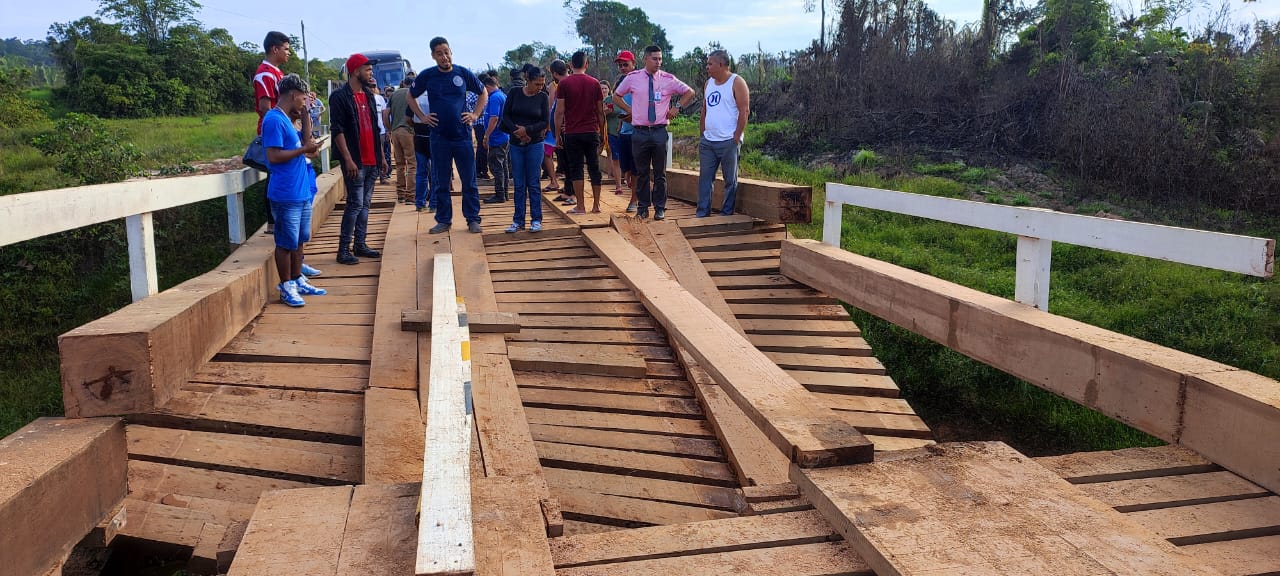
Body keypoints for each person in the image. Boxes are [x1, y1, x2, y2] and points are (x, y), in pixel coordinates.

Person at [409, 37, 487, 234]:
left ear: (451, 52)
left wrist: (475, 114)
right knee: (440, 181)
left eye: (446, 52)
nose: (444, 57)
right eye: (439, 53)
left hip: (462, 136)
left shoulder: (463, 73)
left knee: (469, 180)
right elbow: (411, 96)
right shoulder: (428, 75)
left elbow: (483, 92)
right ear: (433, 56)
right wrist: (422, 117)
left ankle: (472, 219)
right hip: (439, 137)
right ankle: (444, 220)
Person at [262, 74, 324, 307]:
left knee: (299, 240)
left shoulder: (288, 119)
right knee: (285, 242)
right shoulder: (274, 120)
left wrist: (306, 116)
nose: (304, 102)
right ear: (293, 94)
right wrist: (302, 151)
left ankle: (298, 279)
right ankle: (285, 285)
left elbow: (307, 148)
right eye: (303, 99)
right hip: (285, 192)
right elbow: (273, 156)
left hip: (300, 191)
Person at [614, 45, 696, 220]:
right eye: (654, 59)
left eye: (660, 59)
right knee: (641, 172)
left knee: (660, 173)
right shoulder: (633, 78)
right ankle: (643, 207)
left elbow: (689, 92)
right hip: (640, 131)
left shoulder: (668, 79)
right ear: (645, 59)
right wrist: (630, 110)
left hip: (659, 130)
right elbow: (616, 96)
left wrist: (677, 107)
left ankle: (660, 208)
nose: (658, 62)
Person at [329, 53, 386, 264]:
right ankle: (343, 249)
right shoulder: (340, 97)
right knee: (354, 203)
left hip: (372, 159)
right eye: (367, 69)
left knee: (365, 204)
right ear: (355, 71)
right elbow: (338, 130)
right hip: (355, 161)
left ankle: (360, 244)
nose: (371, 73)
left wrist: (381, 157)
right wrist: (348, 159)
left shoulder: (369, 96)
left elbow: (374, 127)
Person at [697, 49, 751, 218]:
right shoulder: (709, 84)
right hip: (708, 141)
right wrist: (703, 133)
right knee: (705, 179)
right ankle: (702, 213)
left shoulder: (737, 82)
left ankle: (726, 213)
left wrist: (736, 136)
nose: (707, 67)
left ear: (721, 65)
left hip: (728, 141)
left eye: (710, 64)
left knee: (730, 180)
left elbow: (744, 111)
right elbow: (705, 110)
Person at [555, 50, 606, 215]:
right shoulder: (595, 83)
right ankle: (597, 205)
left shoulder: (564, 84)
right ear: (586, 64)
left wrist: (557, 134)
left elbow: (559, 112)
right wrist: (602, 133)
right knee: (594, 167)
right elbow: (600, 112)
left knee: (576, 167)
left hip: (572, 132)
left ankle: (581, 206)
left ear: (570, 65)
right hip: (591, 131)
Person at [500, 66, 550, 233]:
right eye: (537, 84)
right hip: (516, 143)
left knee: (534, 182)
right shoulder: (514, 93)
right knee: (519, 183)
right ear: (528, 80)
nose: (540, 87)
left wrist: (527, 131)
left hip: (535, 143)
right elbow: (505, 116)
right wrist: (517, 131)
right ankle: (518, 219)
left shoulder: (543, 97)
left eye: (542, 84)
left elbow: (545, 121)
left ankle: (536, 219)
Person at [255, 31, 289, 235]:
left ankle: (280, 219)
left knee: (282, 172)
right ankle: (273, 222)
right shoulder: (265, 74)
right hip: (275, 131)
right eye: (285, 49)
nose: (288, 54)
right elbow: (265, 106)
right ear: (274, 49)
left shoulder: (277, 73)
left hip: (284, 129)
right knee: (275, 173)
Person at [612, 50, 639, 212]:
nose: (623, 67)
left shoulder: (640, 81)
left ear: (633, 64)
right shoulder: (621, 83)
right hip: (624, 130)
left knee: (635, 167)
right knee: (626, 167)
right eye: (621, 65)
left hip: (637, 131)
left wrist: (633, 114)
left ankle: (634, 199)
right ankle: (632, 185)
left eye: (626, 64)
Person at [387, 79, 417, 204]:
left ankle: (400, 194)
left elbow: (385, 113)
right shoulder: (413, 93)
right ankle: (410, 196)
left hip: (395, 131)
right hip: (408, 130)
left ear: (402, 84)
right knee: (412, 163)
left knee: (399, 164)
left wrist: (389, 129)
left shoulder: (394, 94)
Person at [481, 74, 510, 204]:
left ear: (487, 87)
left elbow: (494, 118)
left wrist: (486, 135)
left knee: (496, 167)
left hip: (497, 137)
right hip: (502, 136)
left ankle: (500, 194)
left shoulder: (494, 98)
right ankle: (504, 193)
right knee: (503, 166)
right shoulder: (502, 95)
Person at [544, 60, 567, 200]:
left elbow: (552, 106)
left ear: (554, 73)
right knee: (563, 155)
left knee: (548, 154)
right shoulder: (567, 82)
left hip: (555, 126)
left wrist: (548, 125)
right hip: (562, 125)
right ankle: (565, 184)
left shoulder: (553, 86)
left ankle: (554, 181)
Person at [602, 79, 627, 196]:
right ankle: (618, 186)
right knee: (615, 159)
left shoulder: (630, 99)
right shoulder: (608, 100)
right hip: (612, 132)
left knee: (627, 158)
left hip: (627, 132)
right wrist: (606, 111)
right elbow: (600, 114)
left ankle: (628, 179)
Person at [468, 77, 491, 180]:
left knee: (484, 148)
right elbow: (466, 102)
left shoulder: (486, 92)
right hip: (479, 123)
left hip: (486, 123)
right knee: (482, 148)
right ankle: (481, 171)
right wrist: (475, 113)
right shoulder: (474, 93)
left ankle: (481, 170)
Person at [376, 86, 391, 184]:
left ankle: (382, 176)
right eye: (370, 86)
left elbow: (384, 115)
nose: (372, 88)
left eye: (374, 86)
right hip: (368, 132)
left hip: (380, 130)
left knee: (381, 154)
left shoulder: (380, 99)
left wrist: (387, 130)